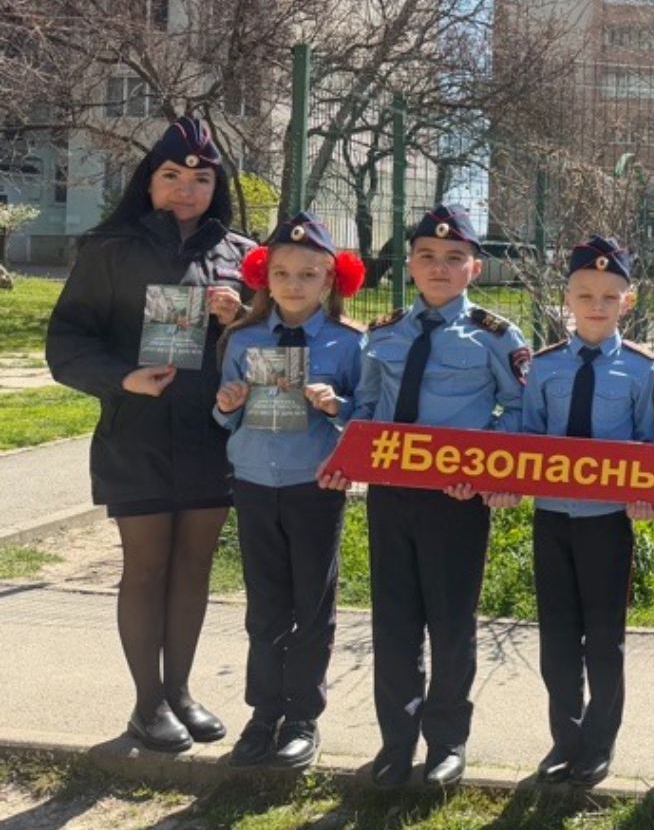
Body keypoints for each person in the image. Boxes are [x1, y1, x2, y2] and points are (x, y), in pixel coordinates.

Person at [46, 116, 253, 754]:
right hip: (134, 434)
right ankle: (147, 703)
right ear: (149, 181)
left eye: (201, 179)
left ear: (216, 186)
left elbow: (272, 341)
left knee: (194, 567)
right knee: (146, 567)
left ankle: (182, 691)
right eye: (171, 176)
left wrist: (240, 316)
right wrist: (123, 378)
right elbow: (66, 345)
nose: (186, 189)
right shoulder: (108, 248)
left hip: (210, 435)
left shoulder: (242, 254)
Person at [323, 203, 528, 789]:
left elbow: (520, 410)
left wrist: (484, 465)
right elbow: (367, 407)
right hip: (390, 495)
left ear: (474, 269)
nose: (440, 267)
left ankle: (447, 741)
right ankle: (396, 742)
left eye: (454, 258)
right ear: (410, 264)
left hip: (455, 500)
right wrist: (340, 421)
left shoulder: (495, 335)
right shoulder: (385, 332)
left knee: (451, 623)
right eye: (428, 256)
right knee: (394, 622)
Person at [213, 213, 366, 770]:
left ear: (330, 279)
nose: (294, 284)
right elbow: (224, 415)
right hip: (254, 481)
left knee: (312, 604)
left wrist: (336, 406)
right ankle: (263, 713)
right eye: (281, 273)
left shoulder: (350, 344)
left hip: (313, 485)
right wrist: (227, 405)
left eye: (308, 274)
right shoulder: (243, 339)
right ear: (264, 277)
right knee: (264, 605)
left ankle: (303, 717)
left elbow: (365, 417)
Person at [518, 237, 654, 788]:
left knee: (604, 636)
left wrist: (646, 494)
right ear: (567, 299)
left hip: (607, 521)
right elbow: (528, 440)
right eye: (584, 294)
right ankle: (565, 739)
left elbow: (649, 445)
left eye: (608, 295)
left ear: (628, 300)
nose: (596, 305)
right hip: (552, 518)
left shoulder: (643, 371)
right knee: (557, 636)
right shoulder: (544, 367)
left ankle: (599, 741)